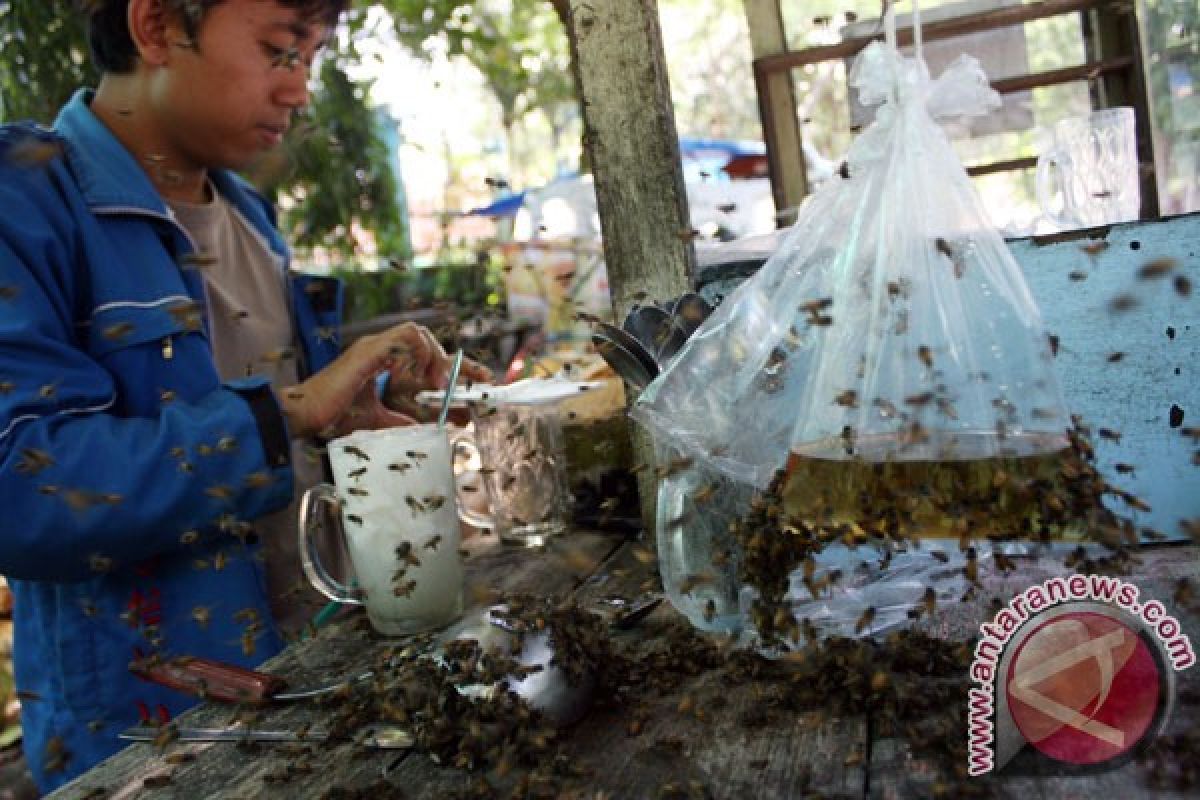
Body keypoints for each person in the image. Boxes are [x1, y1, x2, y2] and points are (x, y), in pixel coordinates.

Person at [0, 0, 488, 791]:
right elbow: (20, 490)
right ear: (156, 26)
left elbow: (278, 417)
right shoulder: (26, 201)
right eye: (280, 51)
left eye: (313, 56)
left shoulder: (250, 217)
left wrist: (354, 413)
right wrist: (286, 415)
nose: (300, 90)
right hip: (156, 744)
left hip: (311, 684)